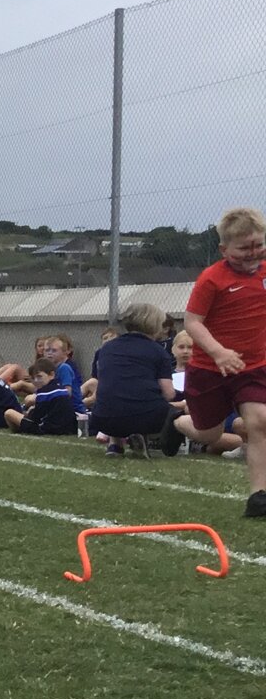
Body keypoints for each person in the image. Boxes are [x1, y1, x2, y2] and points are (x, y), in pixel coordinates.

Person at [177, 206, 266, 512]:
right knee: (210, 433)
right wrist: (218, 352)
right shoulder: (212, 279)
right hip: (209, 368)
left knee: (259, 422)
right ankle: (175, 421)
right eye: (244, 248)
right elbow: (192, 322)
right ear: (224, 249)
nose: (253, 253)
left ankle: (259, 495)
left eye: (259, 245)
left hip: (252, 366)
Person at [82, 304, 176, 455]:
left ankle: (115, 444)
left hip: (103, 417)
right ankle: (140, 436)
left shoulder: (107, 348)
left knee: (118, 393)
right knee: (162, 406)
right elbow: (168, 393)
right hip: (145, 418)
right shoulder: (159, 351)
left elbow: (109, 382)